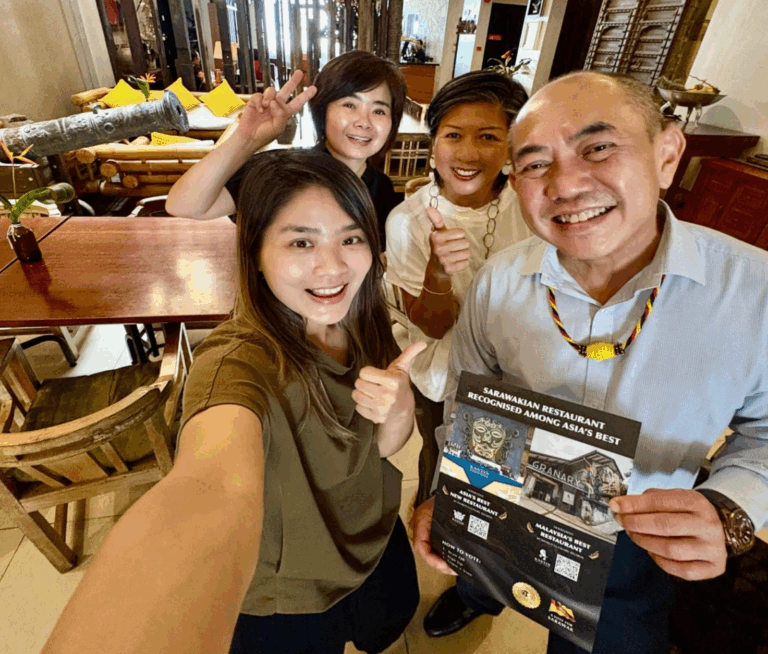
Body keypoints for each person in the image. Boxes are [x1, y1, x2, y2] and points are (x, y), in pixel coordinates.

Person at [410, 71, 768, 654]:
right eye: (535, 163)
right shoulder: (498, 282)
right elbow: (467, 396)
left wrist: (727, 507)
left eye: (598, 147)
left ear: (667, 154)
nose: (567, 184)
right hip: (503, 495)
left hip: (638, 533)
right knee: (480, 573)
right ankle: (476, 596)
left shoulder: (755, 292)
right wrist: (449, 490)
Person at [41, 149, 424, 654]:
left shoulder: (361, 316)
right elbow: (210, 488)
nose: (332, 266)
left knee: (388, 624)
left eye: (350, 238)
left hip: (371, 534)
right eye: (301, 241)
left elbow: (378, 447)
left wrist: (400, 408)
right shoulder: (238, 363)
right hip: (289, 591)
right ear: (255, 254)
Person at [385, 70, 532, 513]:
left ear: (511, 147)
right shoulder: (407, 221)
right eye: (453, 135)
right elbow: (431, 326)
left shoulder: (532, 207)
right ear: (434, 145)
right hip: (445, 369)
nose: (468, 153)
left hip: (519, 367)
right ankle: (435, 521)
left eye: (488, 137)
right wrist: (438, 272)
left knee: (504, 471)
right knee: (444, 464)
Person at [165, 50, 405, 250]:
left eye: (379, 110)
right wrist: (246, 140)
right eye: (350, 105)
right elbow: (185, 205)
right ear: (323, 110)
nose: (364, 122)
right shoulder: (283, 173)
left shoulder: (383, 189)